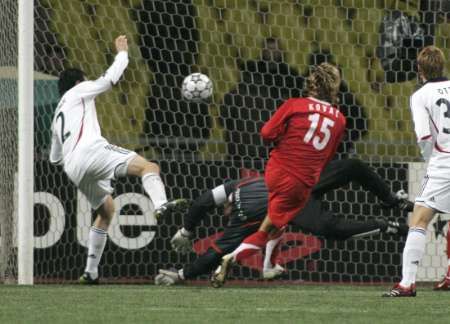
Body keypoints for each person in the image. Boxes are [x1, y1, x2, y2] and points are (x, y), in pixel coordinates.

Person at [49, 35, 187, 284]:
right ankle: (160, 204)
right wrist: (122, 53)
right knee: (149, 166)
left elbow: (55, 158)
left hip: (72, 167)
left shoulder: (58, 112)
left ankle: (90, 273)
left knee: (106, 210)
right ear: (79, 81)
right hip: (90, 150)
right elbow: (109, 80)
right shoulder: (80, 90)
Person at [154, 158, 412, 286]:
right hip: (298, 182)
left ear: (228, 206)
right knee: (352, 167)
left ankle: (385, 219)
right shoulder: (239, 185)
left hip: (292, 200)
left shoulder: (240, 220)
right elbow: (202, 203)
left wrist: (181, 273)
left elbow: (215, 251)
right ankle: (391, 205)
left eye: (223, 210)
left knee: (331, 228)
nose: (222, 213)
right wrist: (186, 231)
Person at [209, 62, 346, 287]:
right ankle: (231, 258)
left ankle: (269, 267)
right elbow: (328, 155)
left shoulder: (294, 105)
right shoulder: (339, 119)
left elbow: (266, 133)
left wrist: (283, 139)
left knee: (277, 219)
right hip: (299, 181)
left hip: (275, 170)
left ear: (312, 83)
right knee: (265, 230)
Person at [383, 46, 450, 297]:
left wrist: (429, 160)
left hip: (443, 163)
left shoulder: (420, 95)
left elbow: (423, 137)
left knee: (419, 220)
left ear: (419, 70)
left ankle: (407, 283)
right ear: (442, 65)